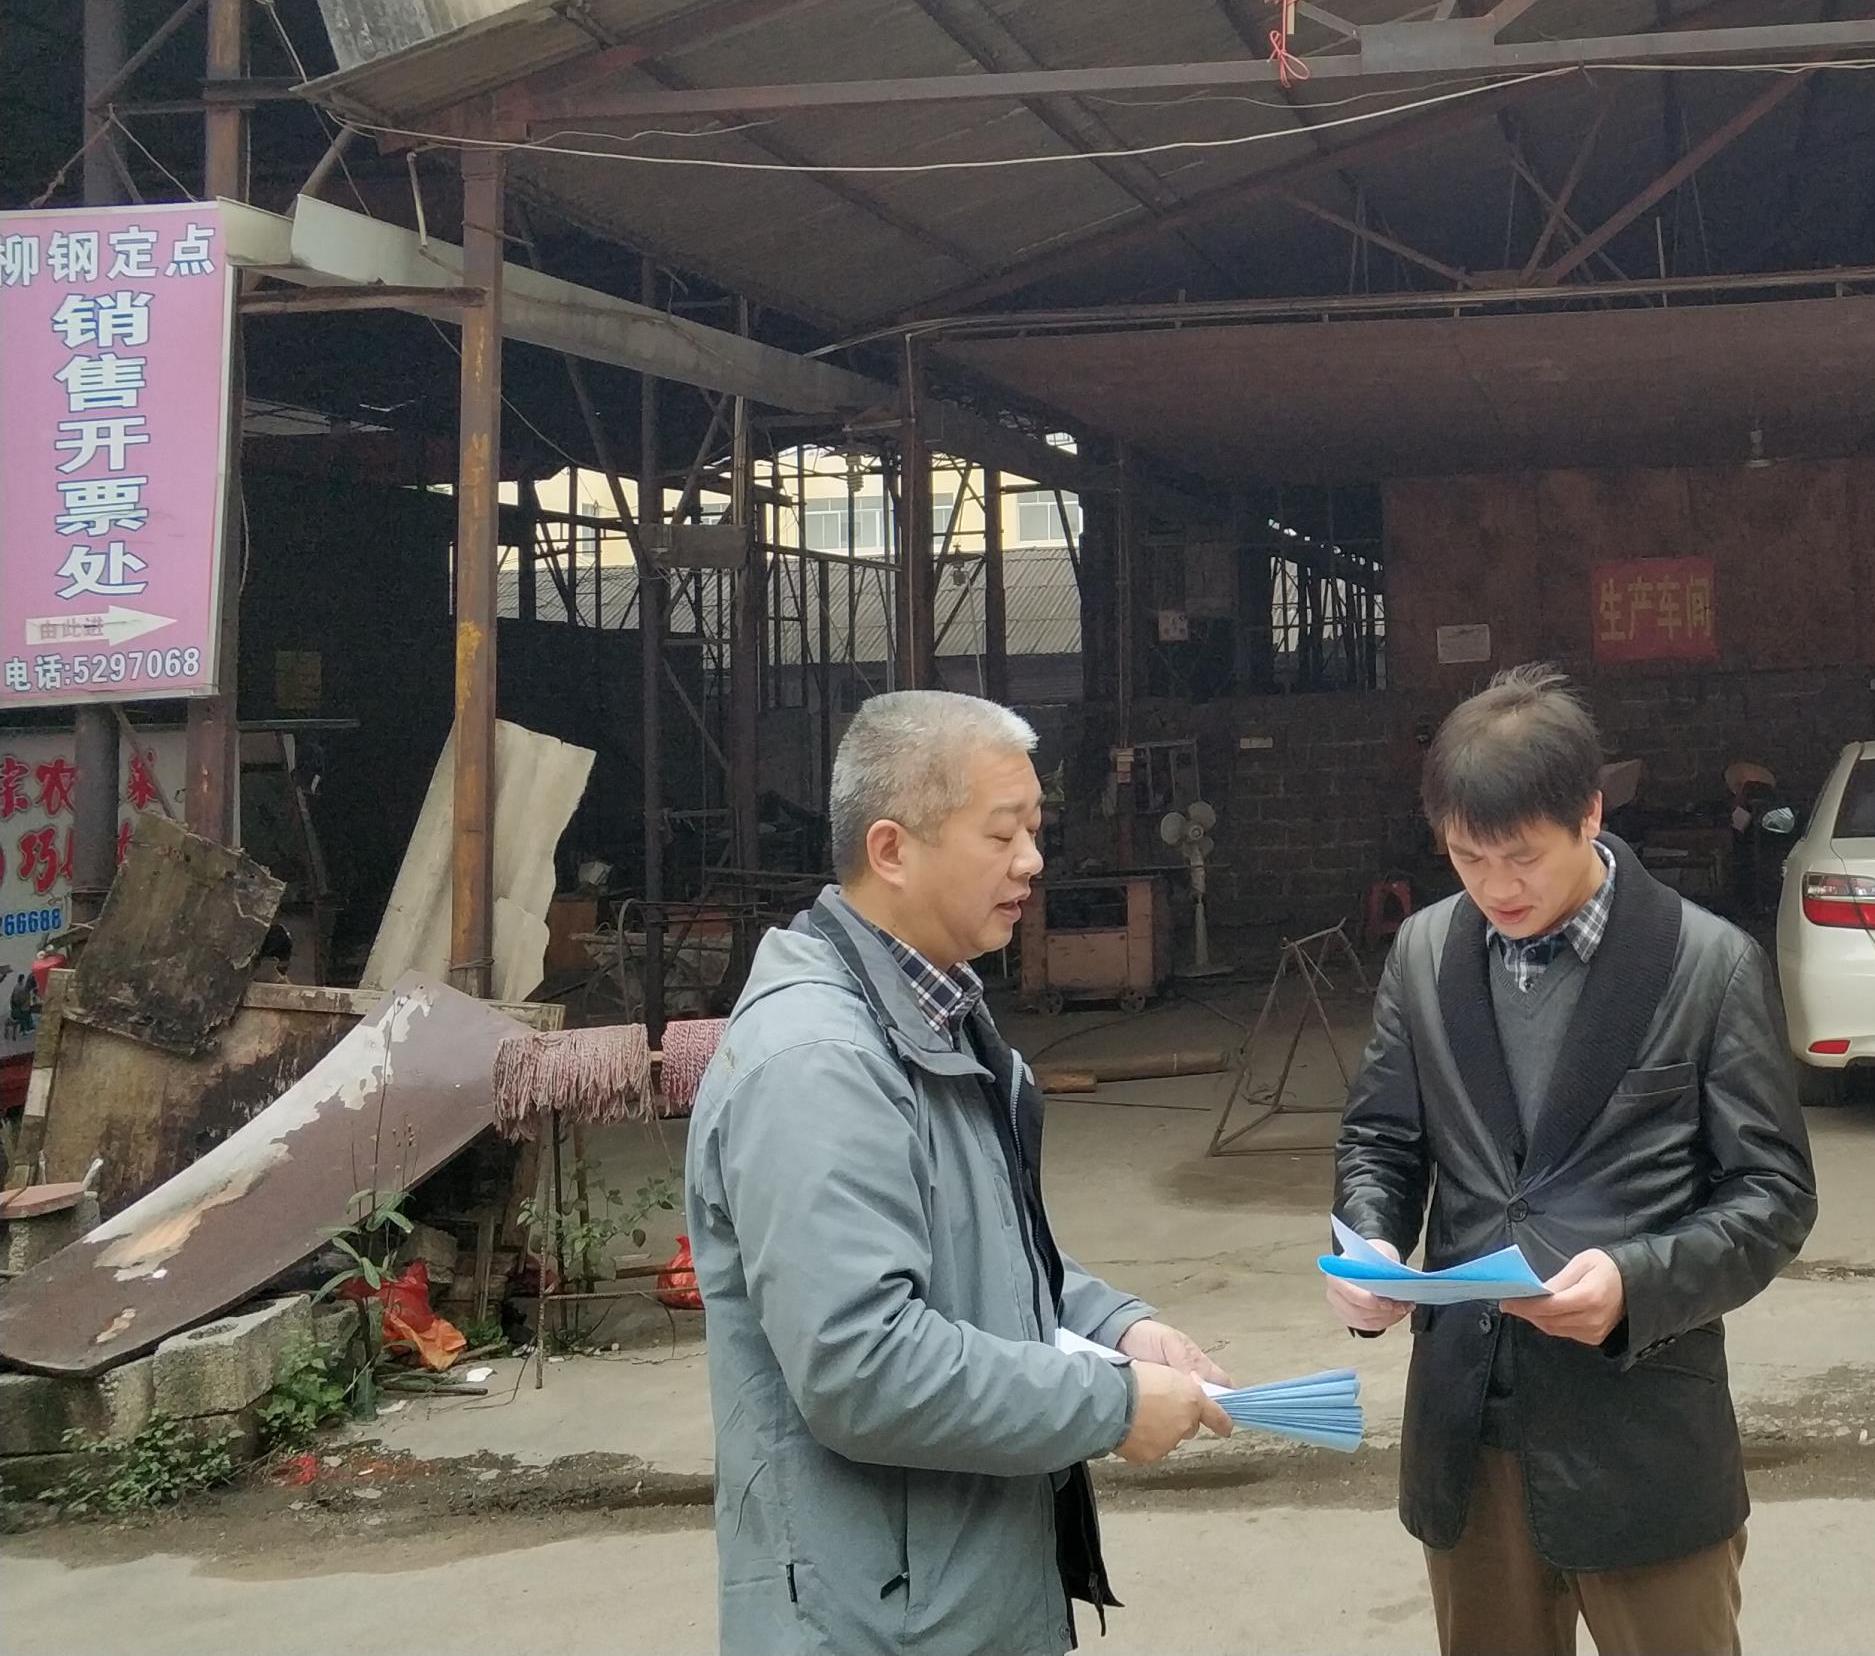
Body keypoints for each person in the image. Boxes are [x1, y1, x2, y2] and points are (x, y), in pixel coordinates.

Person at [687, 692, 1230, 1656]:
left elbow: (978, 1249)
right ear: (891, 849)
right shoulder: (817, 1060)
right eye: (1002, 832)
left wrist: (1116, 1326)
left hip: (952, 1590)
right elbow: (862, 1364)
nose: (1033, 860)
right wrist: (1108, 1405)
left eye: (1035, 829)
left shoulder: (931, 1011)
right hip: (873, 1618)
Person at [1330, 664, 1816, 1656]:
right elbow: (1381, 1138)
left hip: (1640, 1434)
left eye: (1522, 856)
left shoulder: (1707, 964)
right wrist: (1368, 1241)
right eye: (1467, 857)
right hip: (1468, 1429)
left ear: (1590, 813)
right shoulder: (1422, 954)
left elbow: (1772, 1195)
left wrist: (1636, 1282)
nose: (1497, 887)